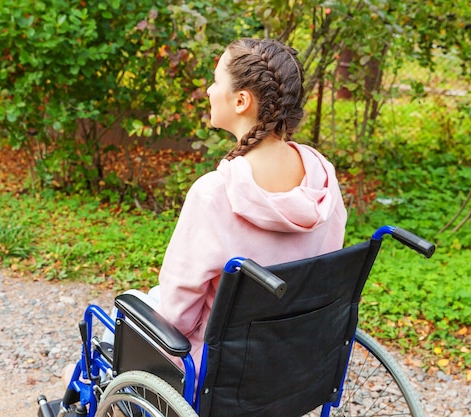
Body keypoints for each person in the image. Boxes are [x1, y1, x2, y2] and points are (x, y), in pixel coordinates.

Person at [63, 37, 346, 386]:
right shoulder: (324, 183)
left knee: (114, 326)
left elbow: (178, 317)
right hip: (294, 362)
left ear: (241, 101)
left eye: (216, 81)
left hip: (220, 375)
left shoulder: (215, 194)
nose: (209, 90)